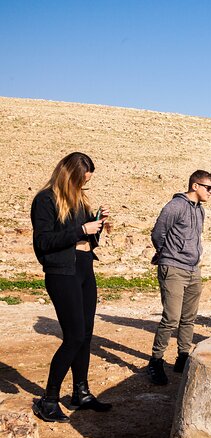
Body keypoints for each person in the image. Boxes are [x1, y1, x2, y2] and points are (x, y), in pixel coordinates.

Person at [30, 152, 112, 423]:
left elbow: (87, 237)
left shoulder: (79, 199)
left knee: (86, 334)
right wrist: (81, 231)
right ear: (71, 174)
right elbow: (43, 242)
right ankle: (49, 399)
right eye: (82, 178)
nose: (85, 183)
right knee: (74, 336)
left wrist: (97, 225)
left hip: (84, 268)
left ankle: (81, 392)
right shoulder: (45, 199)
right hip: (62, 272)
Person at [147, 170, 211, 385]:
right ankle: (155, 361)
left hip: (193, 269)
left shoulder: (200, 210)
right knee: (171, 318)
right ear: (195, 186)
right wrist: (166, 254)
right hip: (174, 268)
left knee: (189, 316)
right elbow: (158, 232)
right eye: (208, 187)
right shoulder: (175, 206)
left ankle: (182, 357)